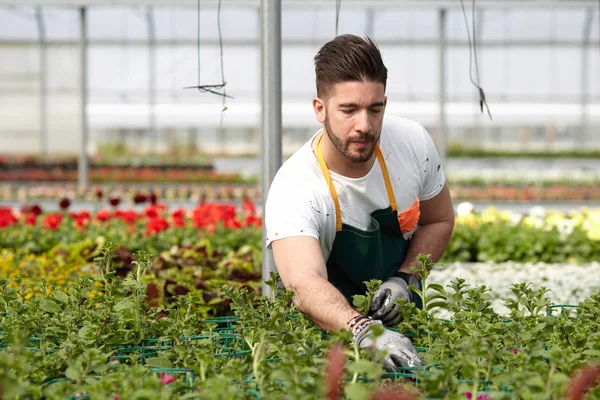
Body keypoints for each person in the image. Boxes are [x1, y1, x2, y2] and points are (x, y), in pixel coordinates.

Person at [264, 34, 455, 372]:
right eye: (348, 110)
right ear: (319, 109)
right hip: (327, 347)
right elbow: (304, 284)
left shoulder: (411, 144)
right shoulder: (296, 186)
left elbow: (438, 220)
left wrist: (406, 281)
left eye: (375, 109)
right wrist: (364, 331)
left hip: (407, 329)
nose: (364, 126)